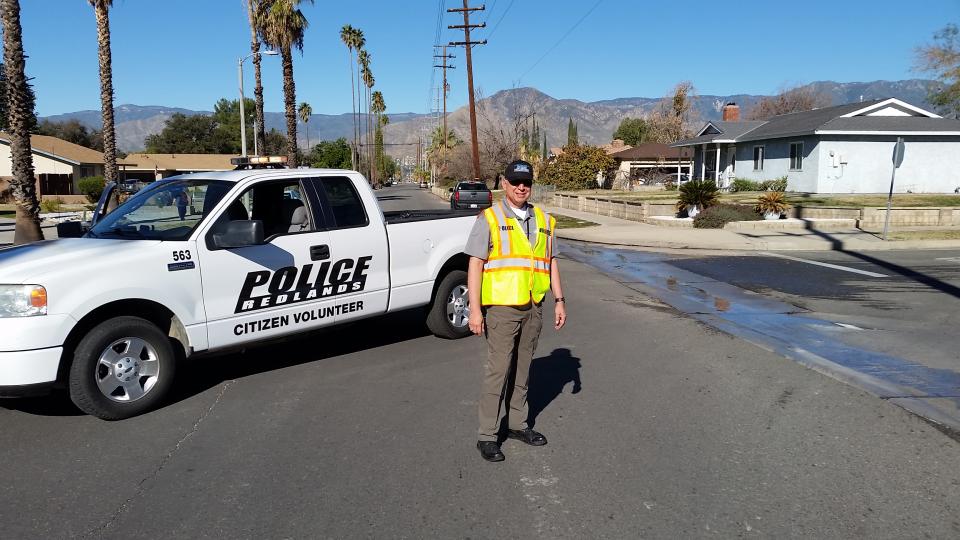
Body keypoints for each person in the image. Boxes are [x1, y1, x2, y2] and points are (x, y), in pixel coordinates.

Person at [464, 159, 567, 463]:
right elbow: (475, 264)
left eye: (526, 182)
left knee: (523, 369)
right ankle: (487, 435)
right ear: (504, 184)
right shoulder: (490, 218)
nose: (521, 187)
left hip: (534, 305)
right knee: (499, 370)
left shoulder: (545, 220)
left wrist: (559, 300)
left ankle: (517, 425)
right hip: (502, 308)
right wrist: (475, 310)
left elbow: (552, 262)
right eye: (515, 181)